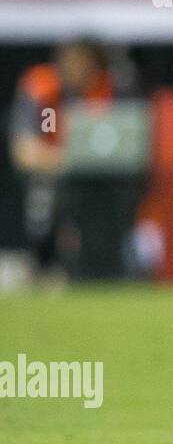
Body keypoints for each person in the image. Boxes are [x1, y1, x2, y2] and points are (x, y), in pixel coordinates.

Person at [8, 39, 115, 279]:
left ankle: (102, 264)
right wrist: (66, 161)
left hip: (92, 175)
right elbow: (23, 151)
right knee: (45, 189)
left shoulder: (103, 90)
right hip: (52, 171)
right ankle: (44, 264)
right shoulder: (41, 87)